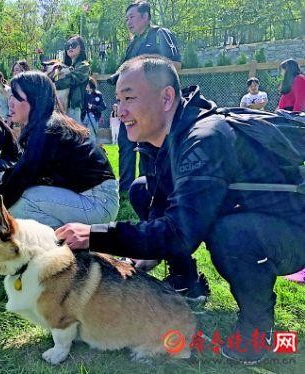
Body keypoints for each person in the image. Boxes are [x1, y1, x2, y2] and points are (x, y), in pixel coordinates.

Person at [56, 55, 305, 364]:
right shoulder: (157, 139)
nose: (120, 110)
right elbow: (163, 207)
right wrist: (142, 252)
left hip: (291, 230)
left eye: (129, 98)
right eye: (118, 99)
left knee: (230, 234)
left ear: (167, 98)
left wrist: (95, 235)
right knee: (142, 189)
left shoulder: (204, 139)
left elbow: (178, 232)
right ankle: (186, 280)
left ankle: (258, 327)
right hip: (237, 214)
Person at [0, 71, 119, 229]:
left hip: (98, 203)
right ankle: (64, 240)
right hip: (92, 199)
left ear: (35, 99)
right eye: (10, 96)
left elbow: (21, 178)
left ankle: (60, 243)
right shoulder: (46, 125)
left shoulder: (47, 130)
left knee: (20, 201)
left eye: (16, 97)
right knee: (15, 192)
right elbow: (23, 171)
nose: (10, 103)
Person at [109, 1, 182, 196]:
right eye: (126, 19)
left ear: (145, 16)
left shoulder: (160, 35)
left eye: (132, 17)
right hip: (132, 104)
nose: (128, 22)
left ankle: (151, 186)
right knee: (126, 144)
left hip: (153, 105)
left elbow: (175, 65)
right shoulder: (133, 43)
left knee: (149, 146)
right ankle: (125, 190)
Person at [54, 35, 91, 123]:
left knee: (74, 135)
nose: (70, 47)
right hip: (62, 106)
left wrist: (54, 83)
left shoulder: (84, 65)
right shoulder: (66, 66)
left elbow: (71, 81)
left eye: (73, 44)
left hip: (74, 107)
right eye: (68, 45)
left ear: (81, 47)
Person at [82, 77, 106, 141]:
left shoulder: (98, 94)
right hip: (83, 117)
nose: (85, 86)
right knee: (82, 137)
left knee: (91, 137)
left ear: (91, 85)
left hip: (93, 118)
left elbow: (103, 107)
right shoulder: (84, 94)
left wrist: (93, 106)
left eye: (87, 84)